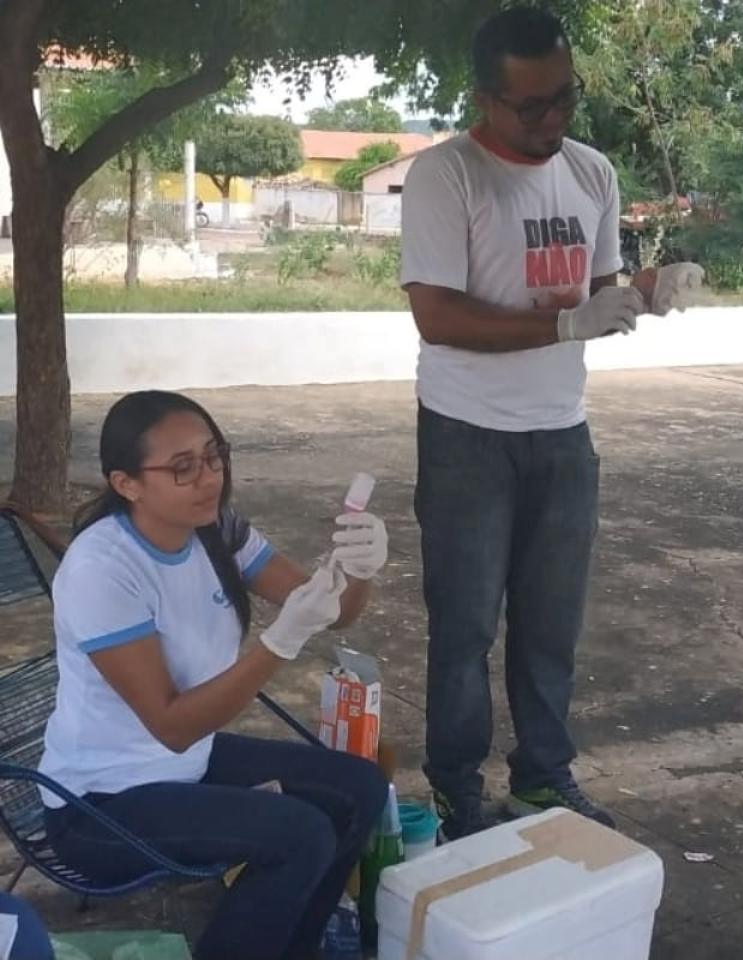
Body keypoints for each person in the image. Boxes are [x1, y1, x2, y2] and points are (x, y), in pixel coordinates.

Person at [401, 6, 702, 840]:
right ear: (485, 98)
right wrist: (565, 323)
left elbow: (595, 294)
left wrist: (644, 292)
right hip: (466, 435)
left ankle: (542, 778)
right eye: (530, 105)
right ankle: (457, 792)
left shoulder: (592, 172)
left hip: (563, 431)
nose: (551, 120)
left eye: (563, 98)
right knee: (464, 629)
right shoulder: (447, 176)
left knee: (550, 625)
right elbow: (436, 316)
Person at [39, 390, 389, 960]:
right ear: (126, 483)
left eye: (213, 455)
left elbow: (333, 610)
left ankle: (292, 946)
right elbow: (172, 727)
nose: (208, 478)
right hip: (100, 804)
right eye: (182, 467)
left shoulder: (217, 529)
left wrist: (360, 568)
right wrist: (280, 641)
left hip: (186, 765)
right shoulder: (102, 569)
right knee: (300, 835)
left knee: (361, 787)